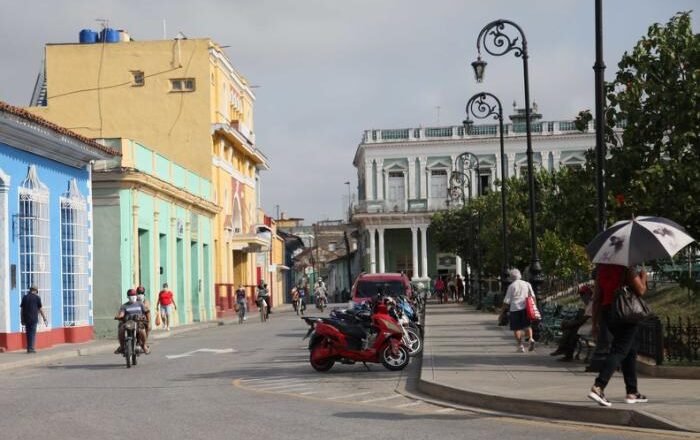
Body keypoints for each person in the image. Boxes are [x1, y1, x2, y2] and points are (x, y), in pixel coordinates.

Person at [588, 264, 648, 407]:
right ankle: (599, 386)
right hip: (625, 312)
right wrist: (644, 276)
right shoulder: (627, 268)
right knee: (619, 350)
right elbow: (641, 290)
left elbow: (596, 298)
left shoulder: (601, 270)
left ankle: (632, 392)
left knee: (630, 350)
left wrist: (595, 324)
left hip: (608, 312)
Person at [550, 285, 593, 361]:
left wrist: (570, 324)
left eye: (583, 294)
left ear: (589, 294)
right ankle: (564, 351)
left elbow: (583, 320)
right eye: (581, 295)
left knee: (572, 331)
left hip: (590, 327)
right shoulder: (587, 304)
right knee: (569, 329)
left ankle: (565, 352)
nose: (582, 297)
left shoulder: (591, 304)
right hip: (586, 325)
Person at [502, 268, 536, 353]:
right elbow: (533, 296)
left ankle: (520, 346)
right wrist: (534, 307)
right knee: (527, 325)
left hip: (515, 309)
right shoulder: (527, 284)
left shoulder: (511, 286)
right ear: (520, 275)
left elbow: (506, 301)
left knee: (516, 328)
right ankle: (531, 339)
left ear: (511, 277)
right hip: (526, 308)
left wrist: (502, 312)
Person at [115, 289, 150, 355]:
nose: (133, 296)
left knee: (142, 331)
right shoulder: (124, 306)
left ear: (136, 296)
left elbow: (146, 311)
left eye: (134, 295)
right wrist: (119, 316)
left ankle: (144, 346)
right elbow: (122, 314)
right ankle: (122, 347)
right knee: (121, 330)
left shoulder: (140, 304)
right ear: (128, 297)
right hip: (128, 323)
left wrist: (147, 321)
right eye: (131, 295)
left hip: (138, 322)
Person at [20, 285, 48, 354]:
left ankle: (29, 348)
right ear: (35, 290)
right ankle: (31, 348)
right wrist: (44, 318)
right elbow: (40, 309)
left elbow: (22, 310)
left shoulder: (25, 297)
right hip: (33, 318)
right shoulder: (37, 298)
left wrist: (22, 319)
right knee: (32, 333)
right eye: (36, 291)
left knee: (28, 334)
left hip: (26, 318)